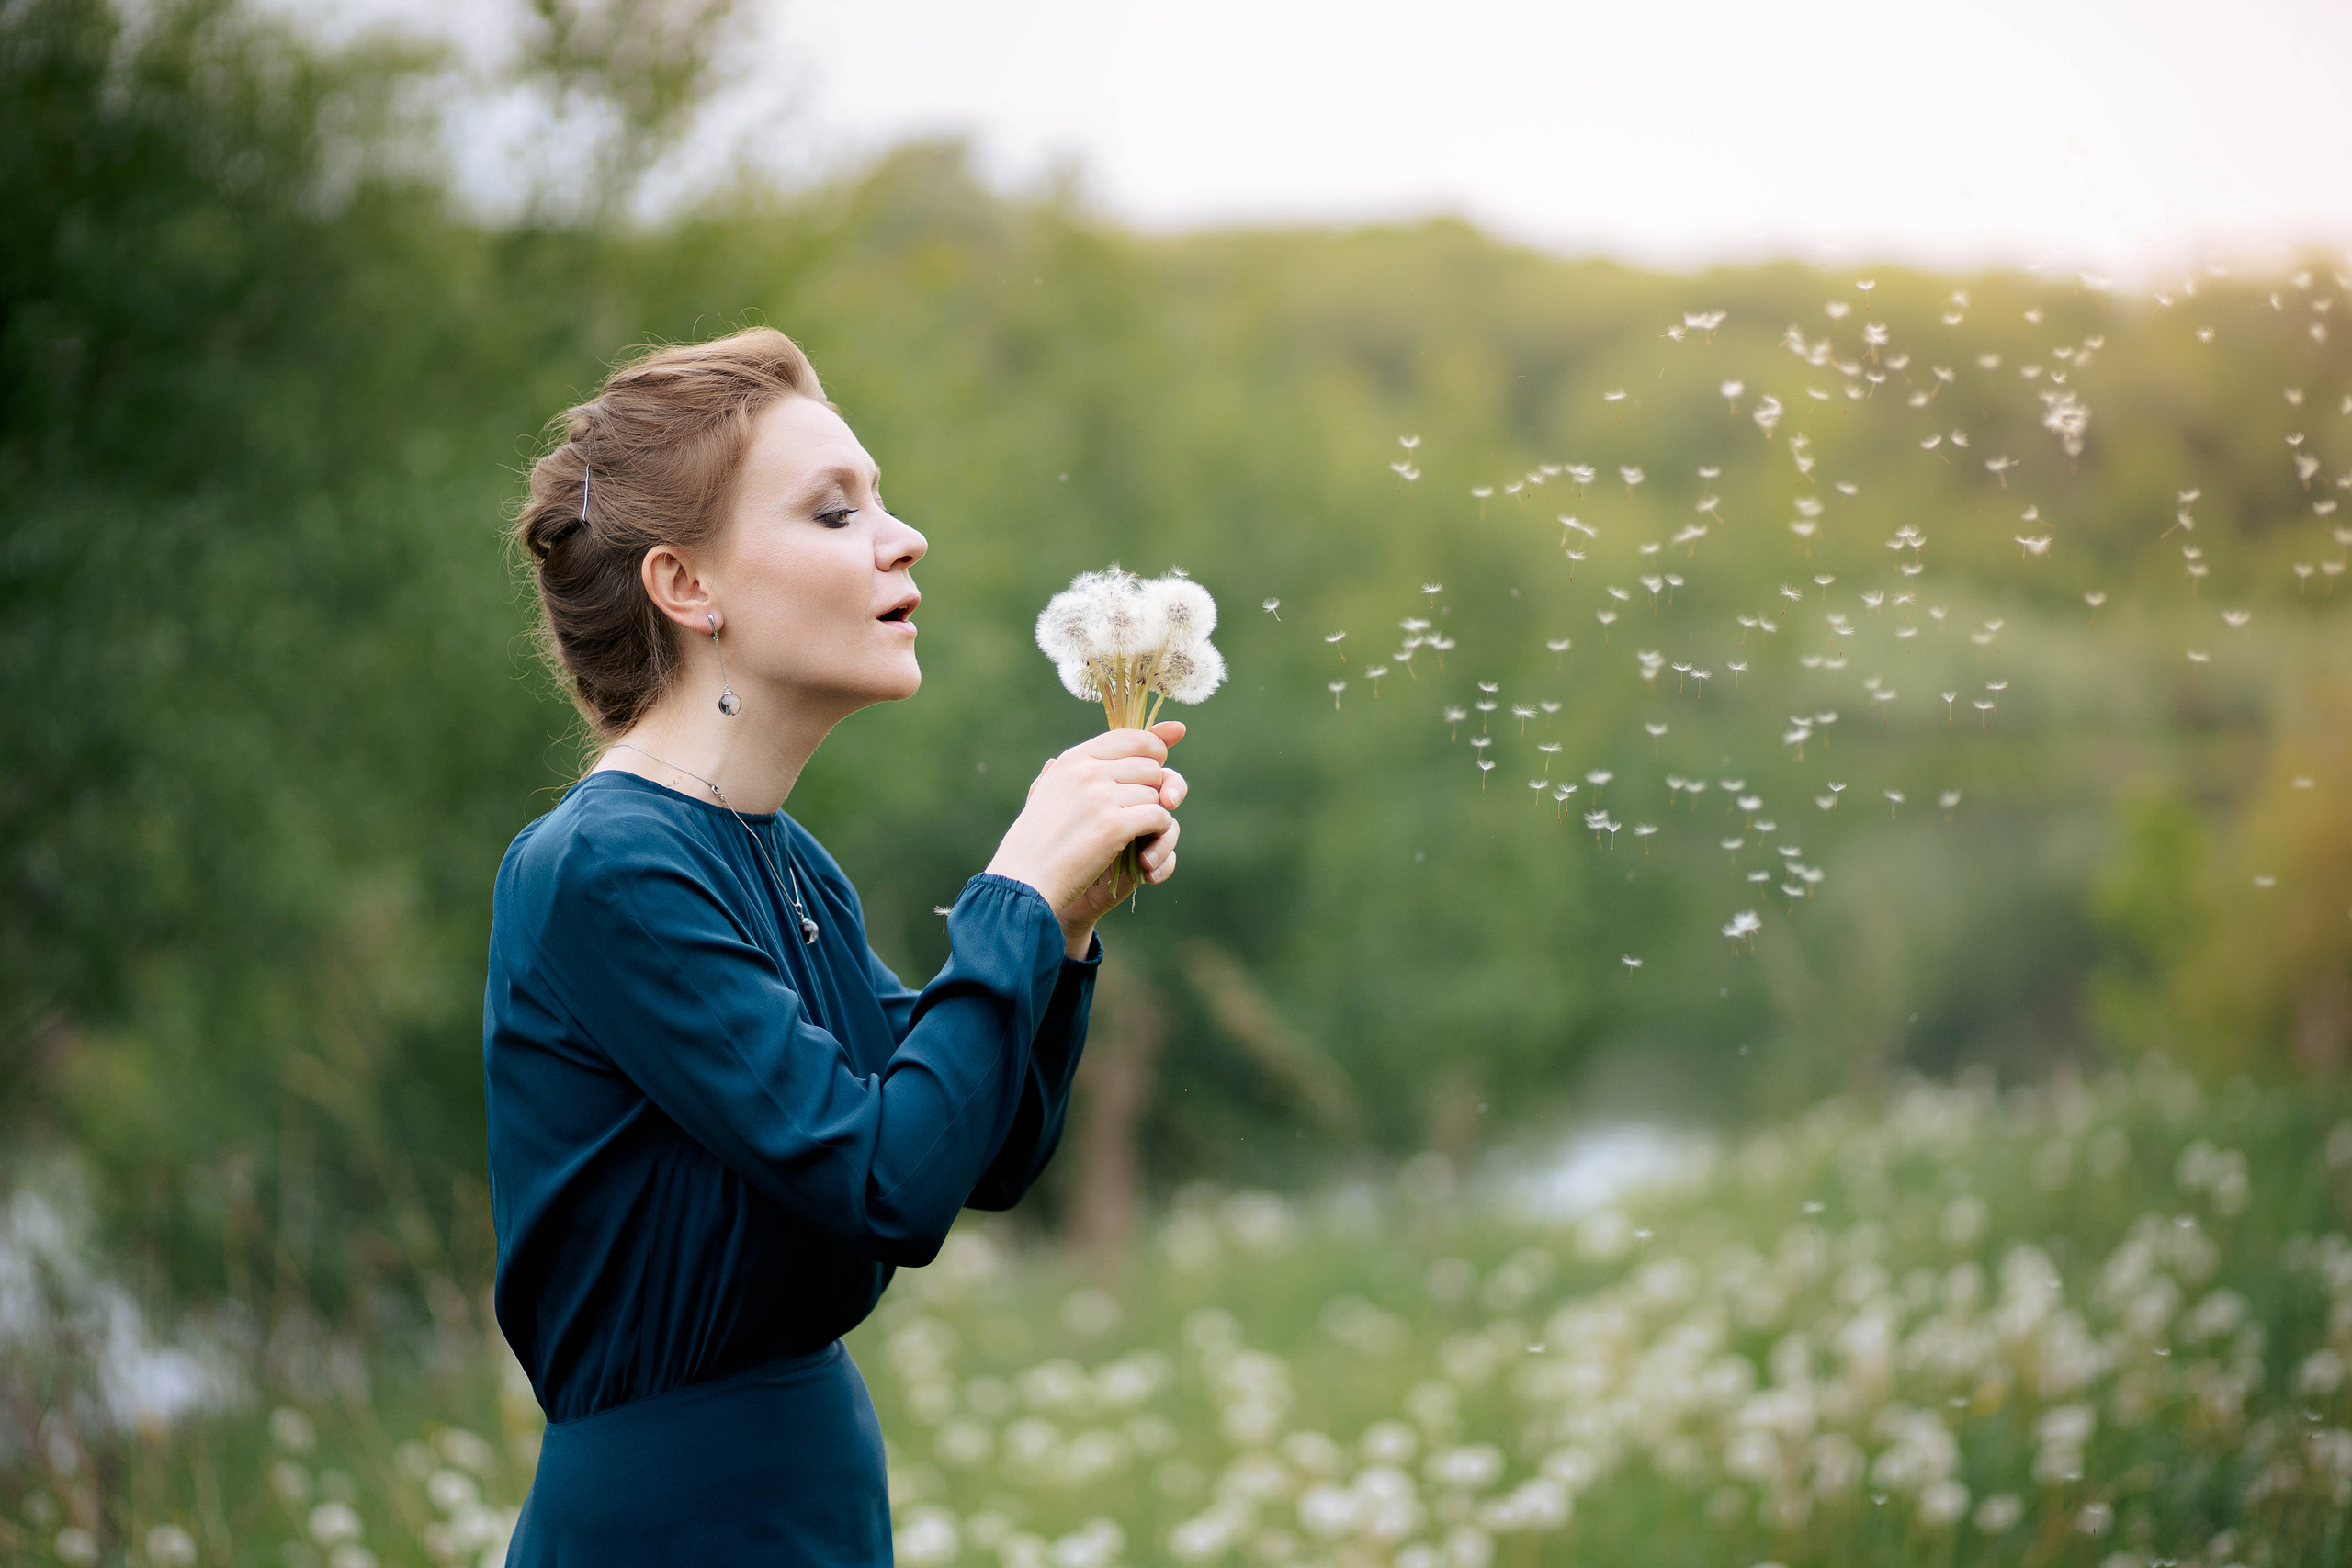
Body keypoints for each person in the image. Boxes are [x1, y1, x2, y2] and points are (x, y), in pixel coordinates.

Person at [482, 326, 1186, 1564]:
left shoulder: (782, 857)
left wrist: (1062, 929)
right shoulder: (606, 867)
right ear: (686, 587)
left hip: (808, 1495)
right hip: (676, 1525)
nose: (901, 537)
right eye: (831, 511)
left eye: (880, 501)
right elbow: (885, 1188)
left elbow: (981, 1155)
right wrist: (1012, 893)